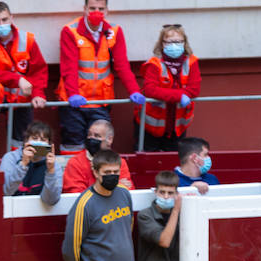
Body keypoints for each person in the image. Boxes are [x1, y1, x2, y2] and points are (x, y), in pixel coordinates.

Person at [56, 0, 146, 152]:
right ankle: (72, 175)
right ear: (85, 9)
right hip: (74, 102)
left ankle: (99, 176)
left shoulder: (114, 31)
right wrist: (73, 94)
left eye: (100, 8)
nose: (96, 12)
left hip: (101, 101)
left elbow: (122, 65)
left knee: (101, 146)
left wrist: (134, 90)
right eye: (92, 8)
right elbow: (68, 67)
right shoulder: (70, 31)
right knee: (73, 145)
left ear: (107, 11)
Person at [0, 2, 48, 161]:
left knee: (22, 143)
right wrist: (18, 79)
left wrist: (38, 93)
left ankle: (21, 162)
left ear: (12, 18)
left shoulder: (27, 39)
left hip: (22, 97)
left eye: (4, 19)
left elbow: (39, 70)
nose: (1, 24)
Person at [136, 24, 200, 153]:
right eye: (170, 42)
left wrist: (165, 93)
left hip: (177, 126)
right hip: (150, 126)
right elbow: (150, 90)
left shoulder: (191, 63)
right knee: (148, 162)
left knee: (173, 161)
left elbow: (194, 89)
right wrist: (179, 96)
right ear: (162, 44)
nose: (174, 45)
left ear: (184, 43)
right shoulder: (154, 64)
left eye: (178, 41)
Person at [61, 118, 134, 193]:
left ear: (109, 139)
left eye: (97, 136)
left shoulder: (120, 162)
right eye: (89, 135)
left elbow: (127, 191)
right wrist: (114, 187)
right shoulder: (75, 163)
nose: (91, 139)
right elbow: (76, 195)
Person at [0, 121, 62, 204]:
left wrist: (51, 171)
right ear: (26, 140)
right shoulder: (11, 158)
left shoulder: (54, 165)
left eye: (43, 140)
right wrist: (23, 164)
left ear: (49, 144)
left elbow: (51, 201)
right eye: (35, 138)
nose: (39, 143)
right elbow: (6, 191)